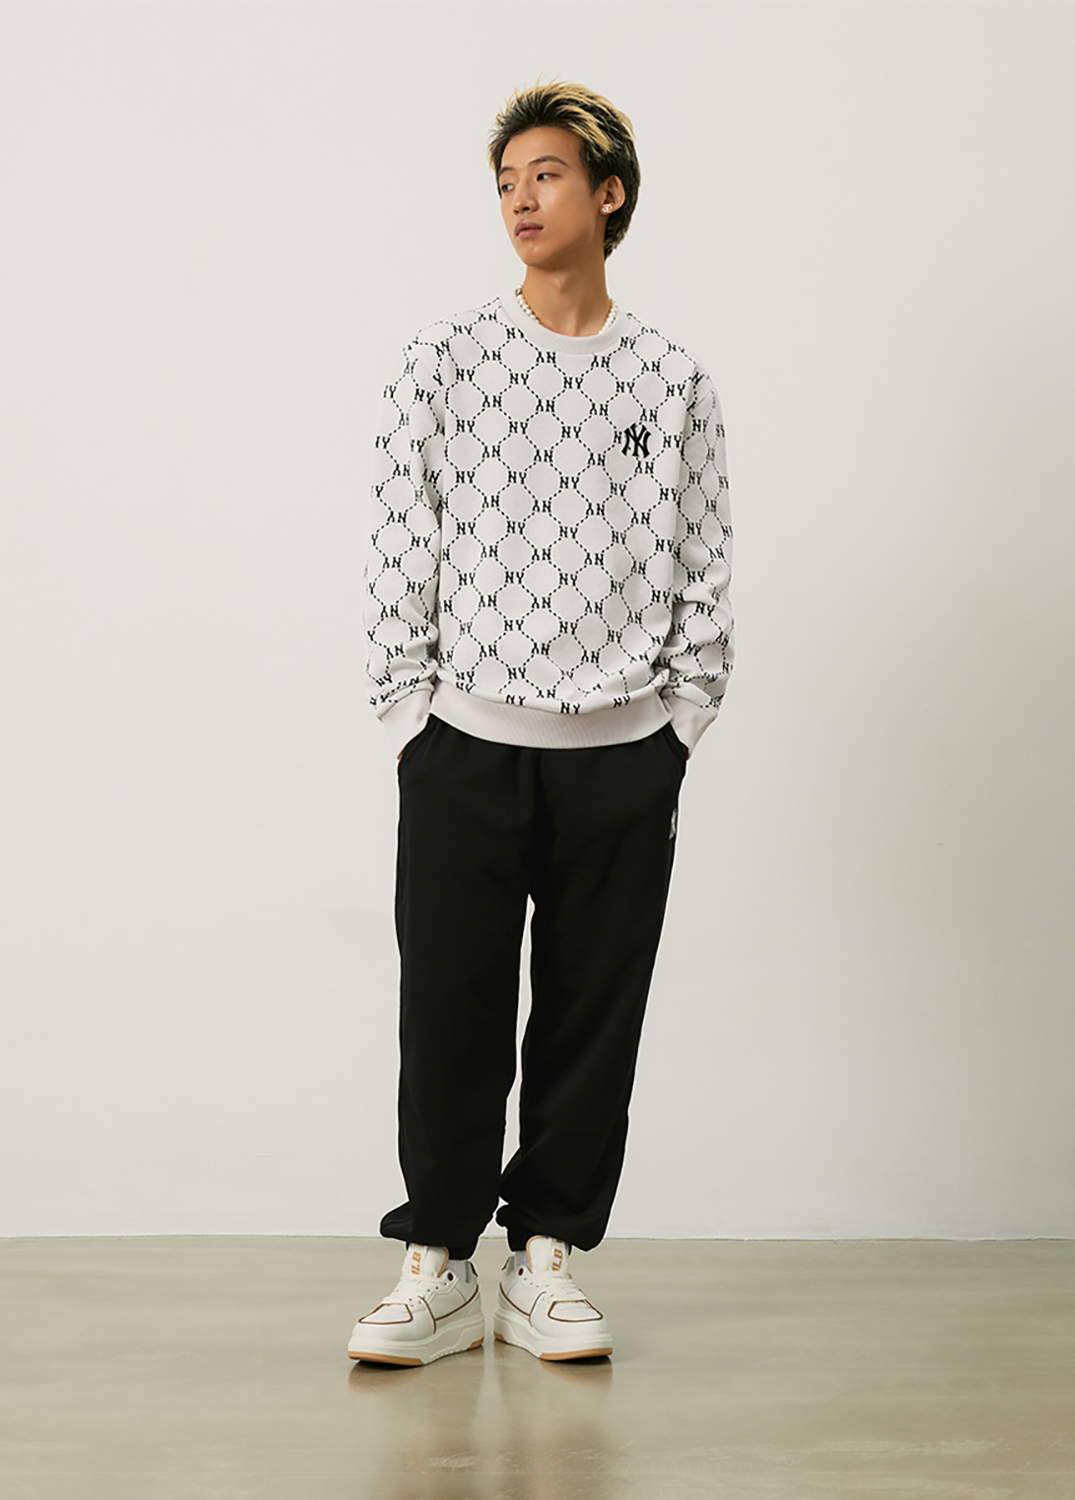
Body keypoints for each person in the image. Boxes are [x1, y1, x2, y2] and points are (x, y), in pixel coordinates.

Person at [348, 79, 734, 1367]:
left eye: (548, 174)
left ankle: (548, 1259)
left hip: (622, 758)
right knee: (449, 1011)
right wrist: (411, 720)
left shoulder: (672, 380)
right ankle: (438, 1264)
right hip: (464, 746)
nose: (521, 197)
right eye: (507, 180)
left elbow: (704, 556)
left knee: (590, 1015)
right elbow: (402, 541)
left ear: (609, 193)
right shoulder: (446, 361)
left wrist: (680, 724)